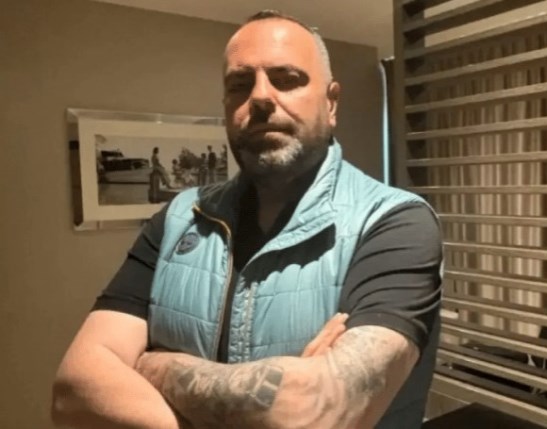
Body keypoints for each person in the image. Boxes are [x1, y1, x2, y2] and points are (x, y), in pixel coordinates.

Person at [51, 9, 442, 429]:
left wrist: (152, 365)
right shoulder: (179, 219)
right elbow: (73, 391)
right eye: (239, 84)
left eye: (286, 79)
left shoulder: (395, 223)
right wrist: (266, 403)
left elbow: (312, 413)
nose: (260, 97)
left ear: (331, 103)